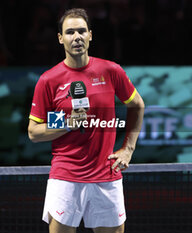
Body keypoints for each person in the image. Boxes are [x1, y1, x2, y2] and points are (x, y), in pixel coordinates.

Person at [28, 8, 144, 233]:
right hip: (66, 176)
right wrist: (67, 123)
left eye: (82, 31)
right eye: (70, 32)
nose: (77, 37)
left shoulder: (110, 71)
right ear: (61, 39)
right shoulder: (48, 80)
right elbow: (33, 132)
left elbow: (137, 105)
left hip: (106, 175)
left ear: (90, 35)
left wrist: (128, 148)